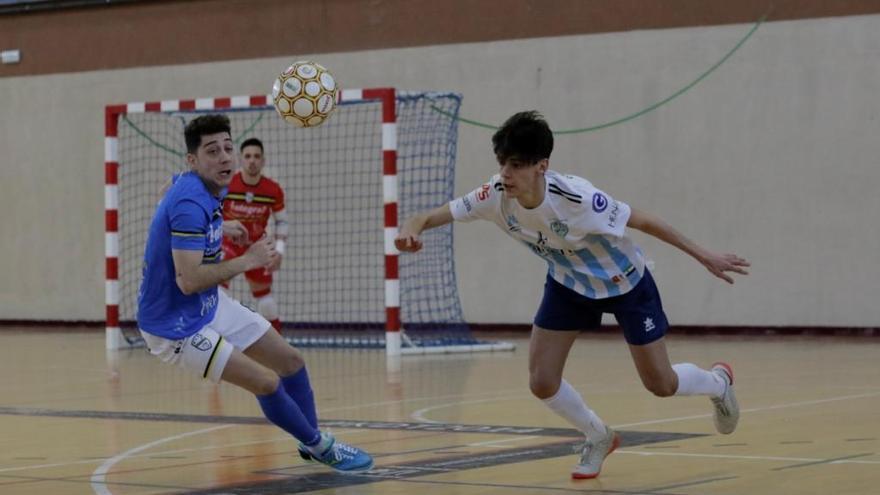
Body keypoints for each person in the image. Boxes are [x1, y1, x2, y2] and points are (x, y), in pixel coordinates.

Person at [395, 111, 748, 480]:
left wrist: (703, 254)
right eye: (502, 164)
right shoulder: (494, 195)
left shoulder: (577, 198)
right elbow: (432, 215)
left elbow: (642, 220)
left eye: (516, 165)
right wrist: (411, 228)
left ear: (541, 166)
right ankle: (598, 435)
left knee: (661, 384)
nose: (505, 174)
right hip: (569, 284)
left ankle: (718, 383)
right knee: (542, 380)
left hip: (625, 283)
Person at [136, 114, 372, 472]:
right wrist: (249, 259)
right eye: (212, 151)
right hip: (175, 326)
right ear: (193, 160)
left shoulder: (200, 185)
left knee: (291, 361)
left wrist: (221, 224)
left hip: (208, 304)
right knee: (266, 382)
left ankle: (309, 440)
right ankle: (320, 445)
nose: (226, 158)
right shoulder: (189, 205)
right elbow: (188, 280)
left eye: (228, 148)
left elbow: (167, 191)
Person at [221, 137, 287, 332]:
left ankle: (277, 345)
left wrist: (279, 251)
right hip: (228, 244)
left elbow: (282, 221)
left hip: (256, 246)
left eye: (257, 156)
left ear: (263, 161)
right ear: (240, 160)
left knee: (265, 301)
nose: (252, 160)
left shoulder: (272, 189)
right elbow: (211, 214)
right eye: (248, 156)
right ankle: (221, 340)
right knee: (218, 291)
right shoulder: (227, 184)